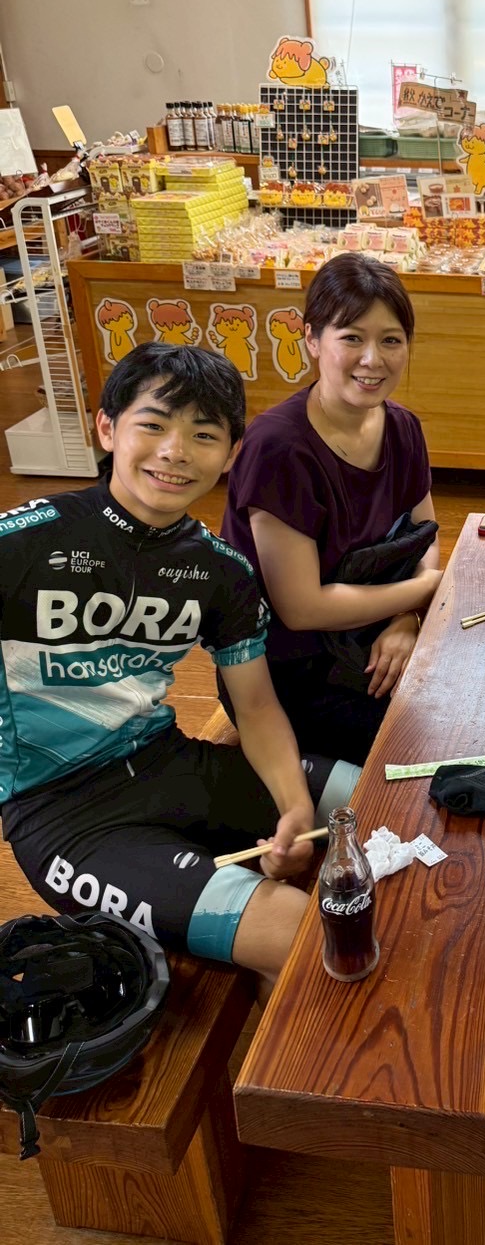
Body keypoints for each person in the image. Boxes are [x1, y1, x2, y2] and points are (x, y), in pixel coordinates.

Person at [0, 343, 360, 997]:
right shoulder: (23, 543)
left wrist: (292, 806)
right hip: (64, 818)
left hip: (169, 763)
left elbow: (255, 707)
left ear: (231, 453)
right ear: (107, 428)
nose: (175, 451)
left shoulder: (221, 570)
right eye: (153, 424)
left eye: (203, 434)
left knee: (374, 797)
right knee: (303, 934)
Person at [221, 254, 441, 763]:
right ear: (312, 340)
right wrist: (427, 591)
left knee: (482, 702)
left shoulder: (403, 427)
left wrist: (407, 617)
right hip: (288, 675)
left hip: (372, 640)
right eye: (352, 338)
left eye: (391, 340)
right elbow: (302, 609)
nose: (373, 359)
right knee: (432, 750)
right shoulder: (279, 447)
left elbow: (424, 535)